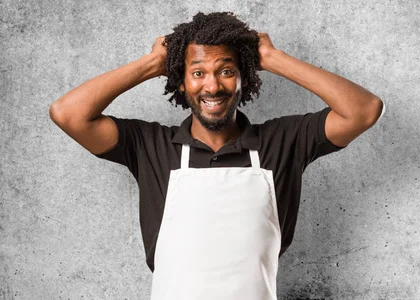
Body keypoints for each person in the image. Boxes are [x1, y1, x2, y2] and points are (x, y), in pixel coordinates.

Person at [49, 11, 384, 300]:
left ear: (244, 79)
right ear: (181, 82)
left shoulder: (282, 142)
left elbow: (364, 111)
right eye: (197, 72)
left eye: (226, 70)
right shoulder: (150, 146)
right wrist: (152, 63)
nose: (212, 86)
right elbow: (68, 114)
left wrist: (272, 58)